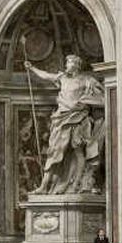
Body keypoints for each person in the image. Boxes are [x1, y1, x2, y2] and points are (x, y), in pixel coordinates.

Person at [25, 55, 105, 194]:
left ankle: (76, 184)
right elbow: (46, 76)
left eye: (69, 63)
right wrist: (32, 68)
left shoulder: (87, 80)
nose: (66, 65)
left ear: (76, 65)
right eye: (67, 62)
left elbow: (103, 98)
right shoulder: (62, 78)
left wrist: (85, 102)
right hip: (61, 118)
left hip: (78, 118)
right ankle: (44, 186)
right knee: (54, 151)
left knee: (78, 151)